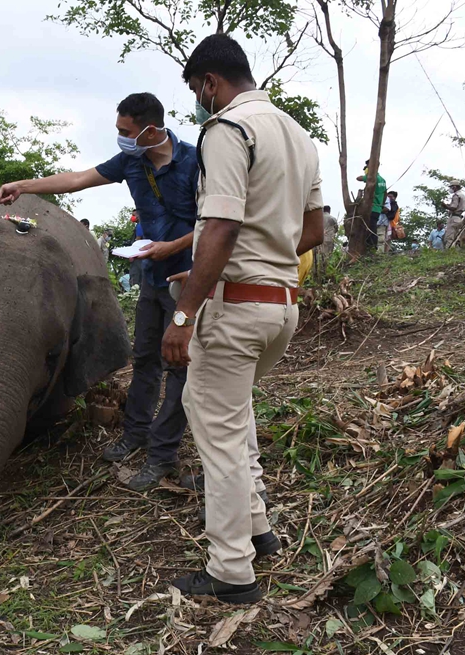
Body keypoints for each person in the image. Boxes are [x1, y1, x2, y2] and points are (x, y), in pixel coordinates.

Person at [162, 34, 323, 603]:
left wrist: (183, 314)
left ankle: (232, 571)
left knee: (219, 436)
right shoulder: (298, 135)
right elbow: (312, 232)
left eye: (196, 91)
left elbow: (222, 227)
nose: (199, 102)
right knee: (229, 416)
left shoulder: (228, 130)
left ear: (209, 83)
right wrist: (264, 258)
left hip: (235, 309)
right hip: (281, 308)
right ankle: (258, 527)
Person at [0, 92, 199, 492]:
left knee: (179, 368)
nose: (120, 137)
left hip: (187, 280)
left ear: (150, 130)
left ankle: (162, 454)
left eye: (126, 131)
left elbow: (215, 222)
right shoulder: (131, 162)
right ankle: (136, 433)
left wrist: (174, 248)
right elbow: (78, 179)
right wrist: (25, 186)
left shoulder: (195, 161)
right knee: (145, 359)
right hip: (152, 277)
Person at [356, 160, 386, 252]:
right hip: (377, 208)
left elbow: (358, 178)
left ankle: (372, 247)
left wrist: (367, 174)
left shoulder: (372, 177)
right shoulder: (382, 180)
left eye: (368, 166)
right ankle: (371, 247)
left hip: (371, 208)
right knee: (372, 227)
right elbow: (385, 194)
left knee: (370, 228)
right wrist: (381, 205)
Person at [443, 182, 465, 248]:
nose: (450, 189)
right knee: (457, 237)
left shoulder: (456, 195)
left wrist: (446, 206)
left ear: (455, 187)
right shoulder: (462, 195)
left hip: (454, 218)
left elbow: (454, 207)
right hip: (459, 218)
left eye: (451, 187)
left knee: (449, 237)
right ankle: (457, 251)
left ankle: (449, 252)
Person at [129, 211, 144, 289]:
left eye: (133, 215)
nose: (132, 217)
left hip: (137, 256)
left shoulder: (140, 226)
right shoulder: (144, 225)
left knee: (135, 276)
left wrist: (131, 254)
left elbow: (138, 240)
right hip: (142, 255)